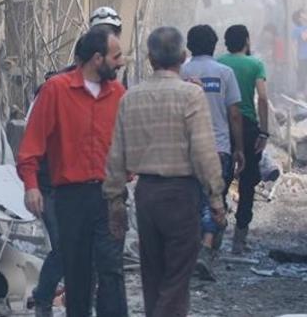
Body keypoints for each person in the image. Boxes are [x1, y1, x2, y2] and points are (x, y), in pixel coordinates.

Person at [105, 27, 225, 317]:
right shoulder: (190, 95)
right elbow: (204, 152)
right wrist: (216, 198)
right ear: (183, 57)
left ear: (150, 59)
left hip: (146, 194)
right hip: (181, 194)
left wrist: (115, 200)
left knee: (153, 273)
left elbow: (116, 153)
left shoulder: (130, 97)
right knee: (178, 276)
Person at [17, 28, 127, 317]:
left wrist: (128, 174)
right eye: (116, 56)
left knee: (111, 270)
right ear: (96, 58)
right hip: (71, 197)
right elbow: (32, 145)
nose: (121, 62)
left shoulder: (118, 93)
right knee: (78, 273)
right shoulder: (56, 90)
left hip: (110, 195)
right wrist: (31, 185)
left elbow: (129, 139)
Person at [180, 25, 244, 257]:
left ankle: (197, 245)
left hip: (186, 148)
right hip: (219, 147)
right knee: (214, 196)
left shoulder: (180, 72)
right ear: (215, 45)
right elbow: (234, 114)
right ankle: (206, 244)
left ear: (189, 46)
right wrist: (239, 148)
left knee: (192, 198)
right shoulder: (224, 72)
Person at [217, 24, 271, 254]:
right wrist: (264, 131)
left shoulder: (219, 63)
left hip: (222, 124)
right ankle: (240, 239)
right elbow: (262, 98)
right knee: (248, 180)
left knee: (221, 179)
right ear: (247, 41)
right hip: (248, 126)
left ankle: (214, 236)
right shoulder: (256, 64)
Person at [294, 9, 307, 94]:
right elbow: (304, 38)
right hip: (303, 57)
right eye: (304, 14)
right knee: (302, 79)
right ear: (299, 18)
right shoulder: (298, 29)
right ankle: (300, 97)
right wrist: (295, 60)